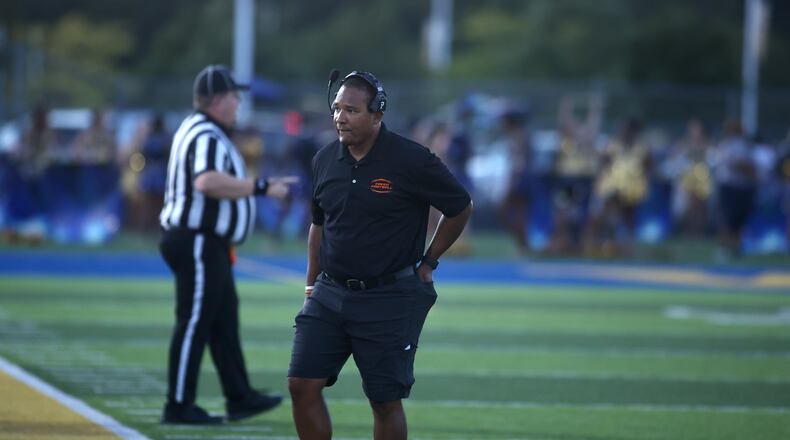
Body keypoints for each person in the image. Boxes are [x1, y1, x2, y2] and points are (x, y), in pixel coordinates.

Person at [287, 71, 472, 440]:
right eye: (337, 108)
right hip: (329, 293)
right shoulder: (324, 158)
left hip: (387, 297)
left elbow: (460, 206)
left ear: (377, 114)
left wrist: (429, 261)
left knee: (384, 401)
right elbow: (318, 226)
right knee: (301, 384)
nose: (340, 117)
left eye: (351, 110)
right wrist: (311, 287)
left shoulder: (411, 159)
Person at [158, 64, 296, 424]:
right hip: (198, 240)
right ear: (218, 100)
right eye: (235, 97)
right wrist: (261, 187)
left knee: (223, 322)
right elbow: (206, 182)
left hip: (208, 243)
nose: (238, 104)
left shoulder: (204, 131)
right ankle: (178, 405)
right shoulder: (206, 133)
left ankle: (240, 396)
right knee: (195, 322)